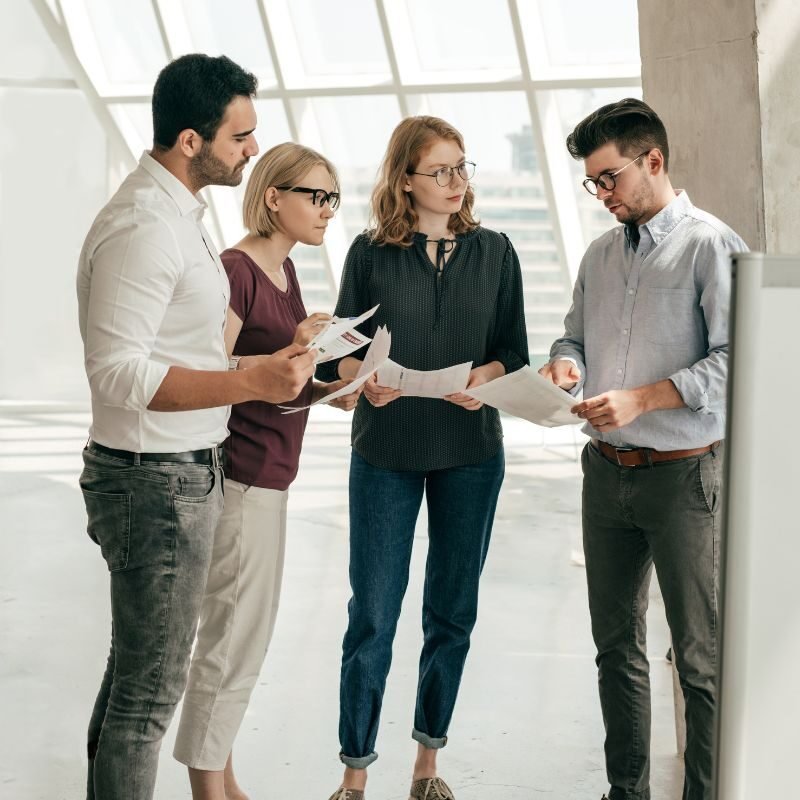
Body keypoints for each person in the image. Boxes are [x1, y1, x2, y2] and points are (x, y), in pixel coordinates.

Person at [76, 55, 316, 800]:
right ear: (190, 140)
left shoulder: (180, 216)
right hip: (156, 482)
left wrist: (275, 365)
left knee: (135, 678)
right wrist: (251, 379)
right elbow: (117, 372)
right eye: (240, 136)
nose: (251, 150)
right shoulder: (145, 227)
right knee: (148, 696)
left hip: (177, 474)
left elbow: (184, 347)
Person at [317, 115, 529, 800]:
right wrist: (362, 382)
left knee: (451, 611)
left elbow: (514, 352)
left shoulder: (497, 252)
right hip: (386, 450)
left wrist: (484, 381)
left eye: (463, 167)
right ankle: (354, 772)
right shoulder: (369, 254)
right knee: (373, 613)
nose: (457, 182)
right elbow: (346, 354)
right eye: (441, 171)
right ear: (405, 180)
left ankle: (427, 764)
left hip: (470, 451)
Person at [540, 98, 746, 800]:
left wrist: (643, 397)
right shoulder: (600, 255)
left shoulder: (712, 246)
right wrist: (567, 364)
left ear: (652, 161)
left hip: (685, 479)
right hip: (606, 473)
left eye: (609, 179)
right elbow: (573, 335)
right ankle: (624, 793)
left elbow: (737, 361)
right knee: (615, 650)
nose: (600, 195)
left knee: (699, 659)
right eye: (592, 184)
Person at [172, 142, 361, 800]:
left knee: (245, 635)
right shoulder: (238, 270)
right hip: (242, 478)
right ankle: (207, 788)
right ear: (274, 196)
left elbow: (279, 382)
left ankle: (223, 777)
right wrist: (290, 352)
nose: (327, 210)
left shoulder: (285, 275)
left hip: (271, 477)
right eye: (316, 195)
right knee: (230, 636)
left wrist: (332, 381)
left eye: (333, 198)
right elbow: (206, 374)